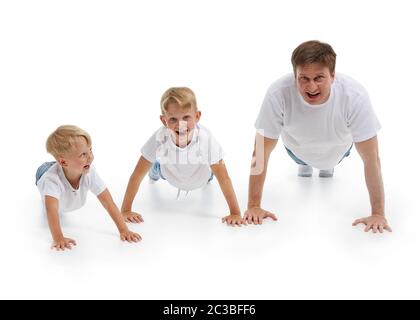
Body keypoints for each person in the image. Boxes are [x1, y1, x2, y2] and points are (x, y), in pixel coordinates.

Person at [244, 40, 392, 233]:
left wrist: (378, 213)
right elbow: (261, 152)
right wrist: (253, 205)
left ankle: (326, 166)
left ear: (333, 76)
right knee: (302, 160)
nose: (311, 86)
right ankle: (306, 164)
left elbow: (371, 159)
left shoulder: (354, 96)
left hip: (337, 151)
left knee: (329, 163)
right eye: (303, 78)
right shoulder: (277, 93)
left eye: (319, 78)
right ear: (294, 75)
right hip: (297, 149)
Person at [121, 87, 244, 226]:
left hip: (202, 176)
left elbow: (224, 178)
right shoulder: (160, 137)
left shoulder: (205, 139)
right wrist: (125, 210)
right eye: (173, 119)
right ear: (164, 120)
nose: (181, 124)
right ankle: (153, 173)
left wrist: (235, 213)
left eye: (186, 117)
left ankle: (208, 174)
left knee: (213, 171)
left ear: (197, 116)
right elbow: (137, 174)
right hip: (169, 174)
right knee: (155, 168)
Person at [36, 125, 142, 251]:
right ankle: (53, 167)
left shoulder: (89, 171)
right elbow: (51, 210)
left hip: (63, 167)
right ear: (63, 162)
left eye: (90, 150)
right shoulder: (51, 180)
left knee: (65, 171)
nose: (91, 157)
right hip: (43, 172)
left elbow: (108, 202)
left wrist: (124, 230)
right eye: (83, 154)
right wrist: (58, 238)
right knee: (49, 194)